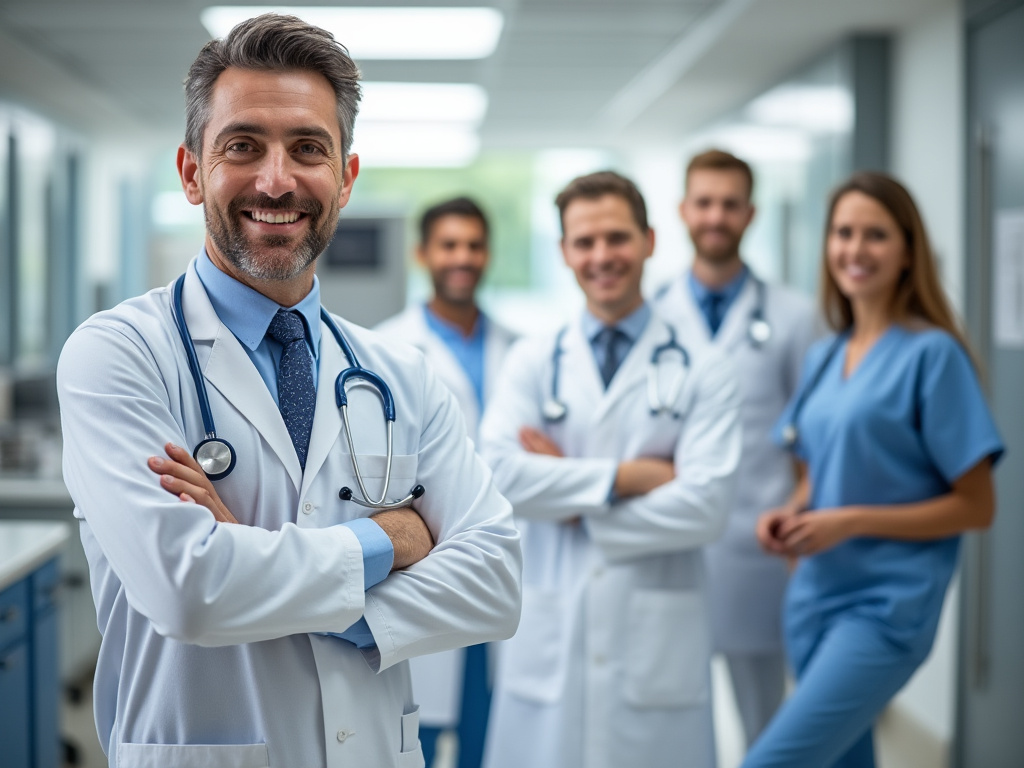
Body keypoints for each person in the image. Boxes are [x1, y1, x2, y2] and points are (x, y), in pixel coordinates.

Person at [56, 15, 522, 768]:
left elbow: (496, 581)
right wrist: (391, 540)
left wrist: (255, 563)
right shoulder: (118, 356)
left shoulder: (398, 373)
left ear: (345, 176)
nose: (277, 180)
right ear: (189, 171)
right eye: (242, 146)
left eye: (308, 148)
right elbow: (190, 592)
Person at [479, 170, 742, 768]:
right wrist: (627, 479)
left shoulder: (705, 366)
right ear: (565, 252)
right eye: (585, 242)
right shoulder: (534, 359)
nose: (602, 257)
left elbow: (705, 506)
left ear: (650, 240)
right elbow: (497, 474)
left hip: (654, 645)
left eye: (617, 239)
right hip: (553, 629)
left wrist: (570, 501)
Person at [744, 171, 1003, 768]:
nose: (855, 250)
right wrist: (792, 511)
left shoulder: (932, 356)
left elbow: (977, 506)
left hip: (883, 610)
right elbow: (815, 473)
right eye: (843, 233)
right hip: (811, 600)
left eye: (876, 235)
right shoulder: (824, 354)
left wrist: (851, 521)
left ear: (908, 251)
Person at [653, 149, 819, 747]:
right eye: (705, 202)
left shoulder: (797, 317)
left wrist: (804, 510)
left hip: (760, 549)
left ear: (750, 214)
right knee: (674, 720)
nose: (716, 216)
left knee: (766, 728)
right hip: (673, 544)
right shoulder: (653, 315)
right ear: (683, 211)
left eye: (729, 204)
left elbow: (816, 440)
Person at [376, 196, 517, 768]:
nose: (463, 257)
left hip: (499, 562)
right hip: (429, 569)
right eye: (449, 244)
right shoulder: (384, 350)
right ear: (423, 254)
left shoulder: (522, 350)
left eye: (474, 245)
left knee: (494, 734)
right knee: (419, 736)